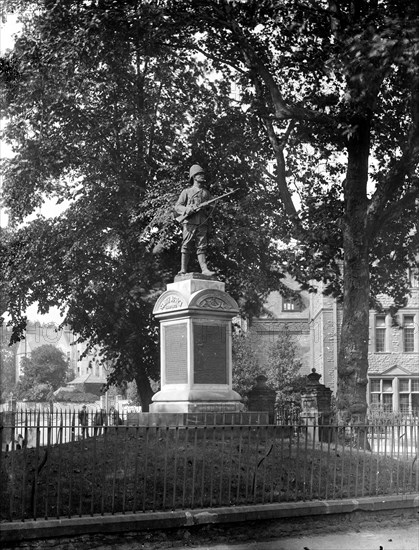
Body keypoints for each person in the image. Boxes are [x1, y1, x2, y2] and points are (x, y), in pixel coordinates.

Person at [174, 164, 215, 276]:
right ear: (194, 177)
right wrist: (187, 209)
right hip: (190, 221)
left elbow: (211, 209)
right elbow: (177, 206)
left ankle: (204, 269)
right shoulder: (186, 192)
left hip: (202, 221)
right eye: (199, 174)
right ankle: (183, 269)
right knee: (186, 244)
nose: (202, 176)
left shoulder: (206, 193)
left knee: (202, 246)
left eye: (202, 174)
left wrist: (206, 207)